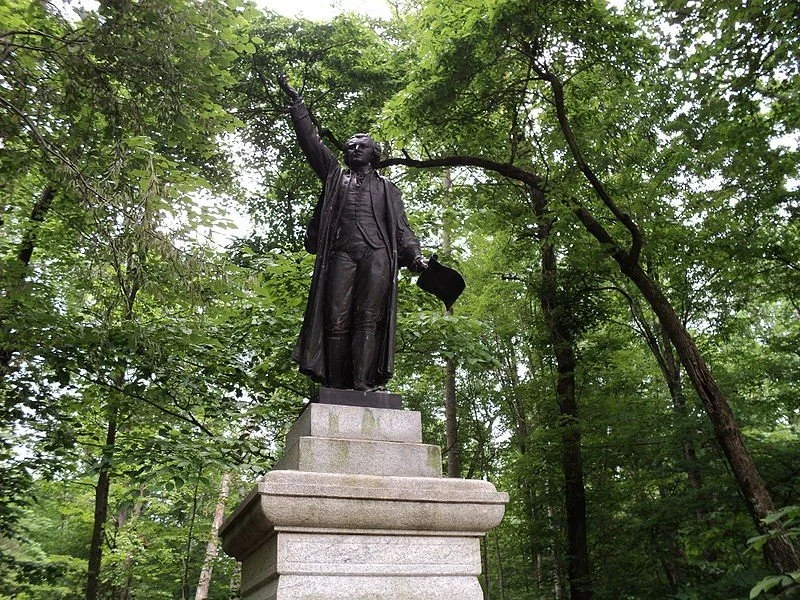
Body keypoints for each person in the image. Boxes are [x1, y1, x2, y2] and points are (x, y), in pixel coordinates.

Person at [278, 74, 427, 391]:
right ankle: (335, 385)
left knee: (368, 318)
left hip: (377, 254)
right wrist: (298, 105)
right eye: (350, 147)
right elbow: (311, 145)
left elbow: (401, 228)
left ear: (374, 154)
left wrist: (415, 255)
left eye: (362, 146)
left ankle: (362, 383)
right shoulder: (335, 177)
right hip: (341, 253)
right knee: (336, 318)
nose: (355, 149)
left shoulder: (388, 189)